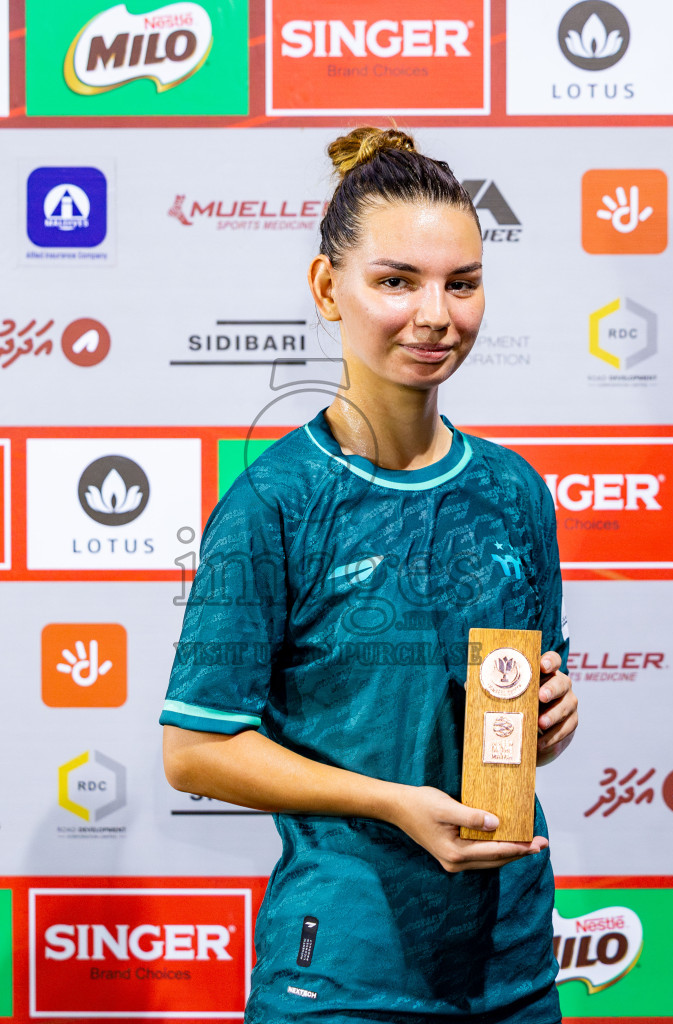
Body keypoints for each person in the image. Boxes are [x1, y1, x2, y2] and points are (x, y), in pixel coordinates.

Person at [160, 126, 579, 1023]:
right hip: (343, 975)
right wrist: (390, 803)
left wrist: (553, 718)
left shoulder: (515, 492)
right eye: (397, 282)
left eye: (461, 284)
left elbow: (513, 718)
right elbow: (194, 750)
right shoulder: (274, 502)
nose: (436, 315)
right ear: (327, 288)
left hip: (514, 970)